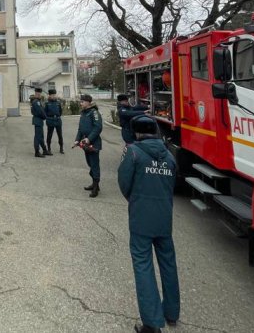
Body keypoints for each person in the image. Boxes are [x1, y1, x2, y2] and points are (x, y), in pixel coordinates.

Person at [118, 116, 180, 333]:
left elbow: (124, 183)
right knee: (168, 263)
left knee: (143, 265)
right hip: (164, 217)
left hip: (141, 217)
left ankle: (152, 323)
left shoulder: (133, 153)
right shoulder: (170, 156)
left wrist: (136, 200)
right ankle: (171, 312)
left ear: (136, 133)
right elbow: (172, 183)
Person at [74, 94, 103, 197]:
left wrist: (89, 139)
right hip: (85, 143)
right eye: (80, 101)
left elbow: (98, 128)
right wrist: (77, 140)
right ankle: (95, 183)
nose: (80, 103)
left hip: (93, 143)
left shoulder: (94, 113)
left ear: (88, 102)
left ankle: (95, 188)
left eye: (82, 102)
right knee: (90, 163)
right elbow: (80, 129)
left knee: (94, 165)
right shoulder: (83, 113)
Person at [44, 88, 64, 154]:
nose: (54, 96)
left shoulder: (58, 103)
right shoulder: (47, 103)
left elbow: (60, 111)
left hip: (58, 120)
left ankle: (61, 148)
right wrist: (48, 118)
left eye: (54, 95)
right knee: (49, 135)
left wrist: (57, 116)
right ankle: (49, 148)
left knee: (60, 135)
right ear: (49, 95)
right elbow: (45, 112)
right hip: (50, 120)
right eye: (52, 95)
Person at [30, 88, 49, 157]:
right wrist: (45, 117)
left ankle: (44, 150)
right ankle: (37, 152)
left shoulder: (37, 101)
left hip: (39, 121)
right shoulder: (36, 102)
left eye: (40, 94)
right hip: (38, 120)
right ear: (35, 94)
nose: (39, 95)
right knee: (38, 137)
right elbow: (40, 111)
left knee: (41, 136)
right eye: (38, 94)